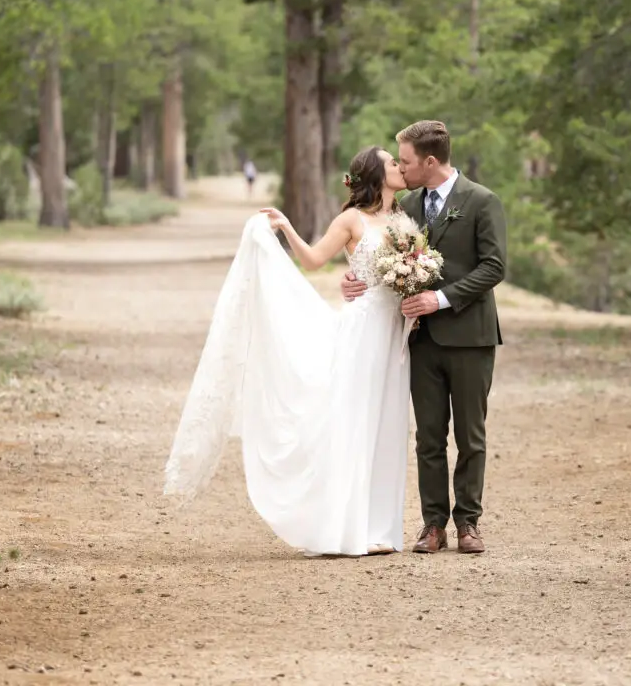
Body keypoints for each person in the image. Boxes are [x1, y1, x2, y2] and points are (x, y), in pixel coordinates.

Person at [164, 146, 411, 557]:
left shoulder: (404, 219)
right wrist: (287, 228)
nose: (400, 168)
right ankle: (342, 527)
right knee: (354, 422)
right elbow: (314, 260)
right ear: (375, 174)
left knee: (387, 424)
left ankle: (379, 528)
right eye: (391, 163)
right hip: (363, 330)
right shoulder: (351, 219)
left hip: (394, 334)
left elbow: (411, 272)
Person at [341, 120, 507, 554]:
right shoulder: (405, 206)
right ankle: (433, 524)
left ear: (431, 161)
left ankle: (468, 523)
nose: (402, 168)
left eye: (408, 161)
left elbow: (494, 267)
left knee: (471, 436)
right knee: (428, 437)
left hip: (471, 336)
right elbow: (378, 256)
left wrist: (442, 299)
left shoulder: (482, 201)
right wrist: (355, 281)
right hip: (418, 339)